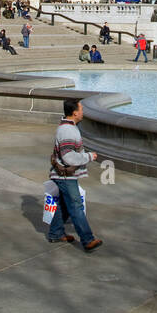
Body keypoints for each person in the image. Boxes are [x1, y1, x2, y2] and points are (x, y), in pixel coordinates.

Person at [46, 99, 102, 251]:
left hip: (62, 174)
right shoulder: (68, 131)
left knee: (64, 205)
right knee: (76, 206)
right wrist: (89, 156)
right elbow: (68, 157)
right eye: (81, 109)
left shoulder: (68, 127)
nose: (83, 112)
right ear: (75, 112)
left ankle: (56, 233)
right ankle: (87, 239)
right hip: (65, 176)